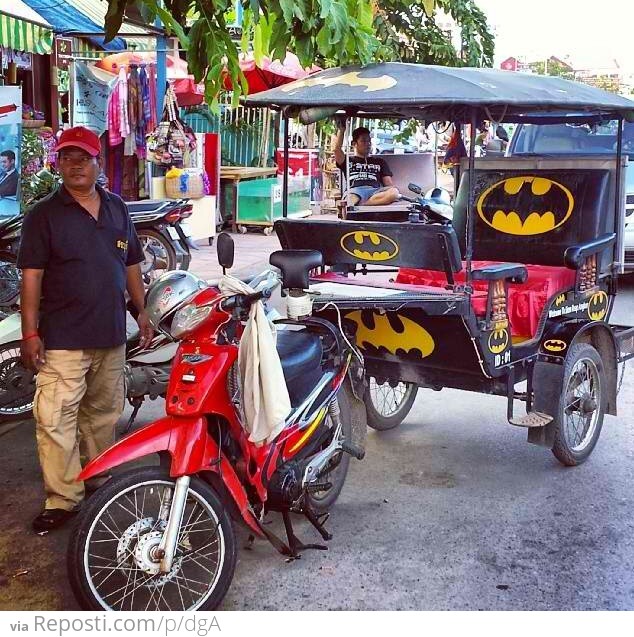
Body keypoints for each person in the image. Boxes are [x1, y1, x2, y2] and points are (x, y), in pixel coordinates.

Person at [17, 126, 153, 533]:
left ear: (98, 163)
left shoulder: (117, 209)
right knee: (55, 419)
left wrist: (142, 312)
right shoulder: (43, 214)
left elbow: (131, 265)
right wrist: (29, 333)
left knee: (101, 417)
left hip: (110, 335)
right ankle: (62, 499)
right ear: (57, 164)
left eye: (84, 157)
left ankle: (96, 479)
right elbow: (31, 278)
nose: (75, 164)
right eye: (67, 158)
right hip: (62, 339)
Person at [333, 122, 399, 206]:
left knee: (394, 192)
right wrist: (342, 130)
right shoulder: (347, 160)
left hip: (375, 192)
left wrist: (392, 193)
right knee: (351, 199)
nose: (367, 144)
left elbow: (389, 184)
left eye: (369, 141)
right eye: (363, 141)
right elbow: (337, 150)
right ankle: (361, 204)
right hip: (355, 191)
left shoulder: (380, 162)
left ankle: (363, 205)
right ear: (354, 144)